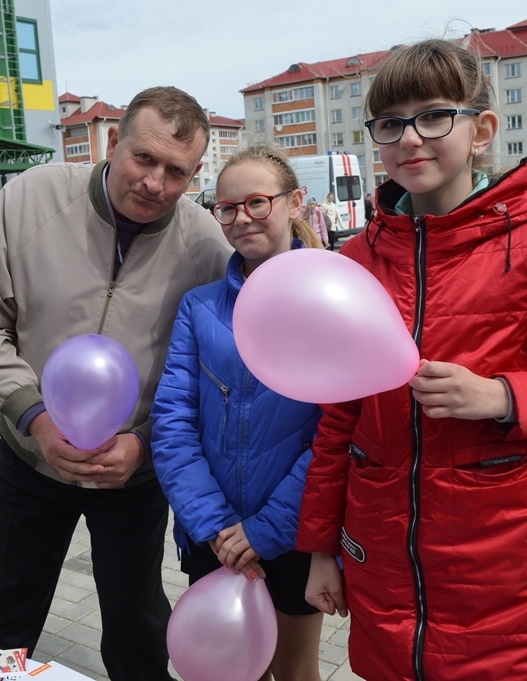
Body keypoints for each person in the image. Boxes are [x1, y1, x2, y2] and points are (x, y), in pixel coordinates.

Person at [298, 39, 527, 681]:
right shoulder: (358, 263)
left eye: (433, 115)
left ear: (481, 129)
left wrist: (502, 396)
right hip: (382, 564)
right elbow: (339, 418)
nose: (410, 138)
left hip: (500, 566)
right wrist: (320, 546)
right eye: (390, 123)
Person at [0, 86, 232, 680]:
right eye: (144, 159)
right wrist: (34, 415)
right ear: (111, 142)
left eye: (176, 171)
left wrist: (145, 442)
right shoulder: (29, 200)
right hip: (32, 456)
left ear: (196, 172)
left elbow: (216, 378)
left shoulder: (207, 247)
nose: (155, 182)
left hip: (135, 470)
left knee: (136, 625)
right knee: (4, 614)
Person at [152, 145, 324, 681]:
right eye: (226, 207)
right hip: (215, 536)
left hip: (294, 531)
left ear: (294, 201)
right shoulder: (200, 307)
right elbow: (173, 422)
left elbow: (339, 433)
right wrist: (216, 526)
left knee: (293, 673)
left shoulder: (331, 299)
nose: (240, 218)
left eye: (256, 202)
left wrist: (268, 529)